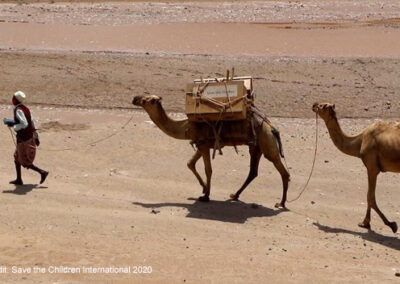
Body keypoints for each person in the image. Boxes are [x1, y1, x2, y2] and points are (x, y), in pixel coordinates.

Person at [3, 91, 48, 185]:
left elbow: (24, 123)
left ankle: (42, 172)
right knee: (16, 157)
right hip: (28, 137)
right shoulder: (26, 109)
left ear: (15, 100)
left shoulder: (18, 110)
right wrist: (36, 136)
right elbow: (31, 122)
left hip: (23, 139)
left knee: (24, 160)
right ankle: (19, 179)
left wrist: (15, 127)